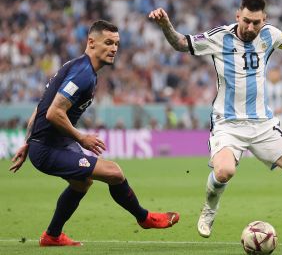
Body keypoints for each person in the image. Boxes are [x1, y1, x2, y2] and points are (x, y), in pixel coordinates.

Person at [149, 0, 282, 246]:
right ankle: (209, 210)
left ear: (264, 20)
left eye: (256, 23)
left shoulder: (269, 34)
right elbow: (182, 44)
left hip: (263, 124)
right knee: (225, 171)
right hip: (228, 123)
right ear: (238, 15)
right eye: (246, 21)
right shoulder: (220, 37)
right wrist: (166, 26)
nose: (250, 27)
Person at [9, 20, 179, 247]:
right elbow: (52, 112)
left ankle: (52, 236)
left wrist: (27, 142)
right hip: (49, 148)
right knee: (114, 173)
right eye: (108, 43)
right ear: (91, 42)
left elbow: (41, 106)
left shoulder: (79, 67)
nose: (114, 49)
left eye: (117, 44)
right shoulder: (83, 74)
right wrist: (82, 138)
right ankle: (144, 218)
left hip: (51, 143)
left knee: (82, 183)